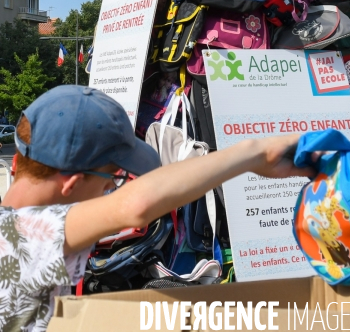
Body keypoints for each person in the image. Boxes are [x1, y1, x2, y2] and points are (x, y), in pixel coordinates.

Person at [0, 85, 316, 331]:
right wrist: (254, 154)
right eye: (113, 178)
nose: (111, 188)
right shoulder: (18, 238)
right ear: (71, 184)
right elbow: (137, 206)